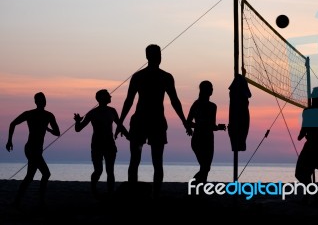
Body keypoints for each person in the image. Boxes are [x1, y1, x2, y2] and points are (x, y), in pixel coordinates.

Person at [115, 44, 190, 198]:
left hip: (154, 122)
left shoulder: (164, 77)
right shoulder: (143, 76)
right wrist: (120, 123)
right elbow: (128, 101)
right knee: (139, 161)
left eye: (159, 54)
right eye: (157, 54)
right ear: (149, 57)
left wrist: (184, 121)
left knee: (151, 162)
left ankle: (152, 195)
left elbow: (175, 101)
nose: (159, 57)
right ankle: (136, 195)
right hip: (144, 121)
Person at [6, 92, 61, 207]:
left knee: (31, 176)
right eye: (40, 100)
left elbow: (57, 133)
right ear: (36, 102)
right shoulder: (29, 114)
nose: (43, 101)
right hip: (31, 148)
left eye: (44, 99)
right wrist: (9, 140)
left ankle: (19, 201)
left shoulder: (49, 115)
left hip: (37, 149)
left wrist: (49, 130)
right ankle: (39, 201)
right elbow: (13, 123)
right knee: (45, 173)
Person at [74, 89, 128, 198]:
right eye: (108, 95)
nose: (110, 97)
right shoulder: (92, 113)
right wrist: (78, 121)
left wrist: (128, 135)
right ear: (101, 98)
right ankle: (94, 189)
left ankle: (110, 193)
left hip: (109, 144)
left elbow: (119, 124)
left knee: (110, 170)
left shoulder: (112, 111)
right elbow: (78, 129)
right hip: (97, 144)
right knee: (98, 170)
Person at [186, 80, 226, 184]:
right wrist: (197, 126)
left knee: (206, 168)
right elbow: (188, 122)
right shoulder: (197, 104)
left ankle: (200, 189)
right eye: (210, 88)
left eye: (212, 87)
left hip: (207, 139)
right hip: (199, 139)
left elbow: (211, 126)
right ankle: (193, 185)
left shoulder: (213, 106)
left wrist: (219, 127)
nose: (212, 89)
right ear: (204, 90)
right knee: (205, 167)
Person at [295, 86, 318, 186]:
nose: (313, 99)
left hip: (315, 145)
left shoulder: (309, 112)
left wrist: (305, 136)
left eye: (314, 97)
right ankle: (310, 197)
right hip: (316, 145)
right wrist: (317, 135)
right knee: (303, 174)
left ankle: (314, 195)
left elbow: (303, 131)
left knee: (302, 174)